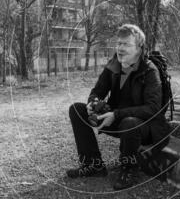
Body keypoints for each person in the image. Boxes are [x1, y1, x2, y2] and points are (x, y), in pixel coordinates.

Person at [67, 24, 171, 189]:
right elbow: (97, 90)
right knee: (76, 110)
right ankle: (93, 165)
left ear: (139, 48)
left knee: (129, 122)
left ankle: (129, 168)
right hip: (115, 118)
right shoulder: (114, 64)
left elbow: (153, 109)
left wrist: (116, 114)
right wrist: (92, 103)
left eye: (126, 44)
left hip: (145, 126)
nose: (121, 48)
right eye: (119, 44)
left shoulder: (150, 71)